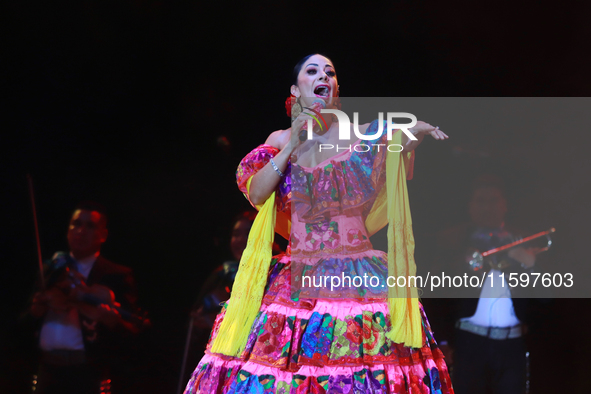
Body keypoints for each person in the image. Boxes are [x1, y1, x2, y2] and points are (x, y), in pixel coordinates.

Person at [184, 54, 452, 394]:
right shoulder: (280, 140)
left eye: (330, 72)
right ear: (296, 90)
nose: (323, 75)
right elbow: (257, 192)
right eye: (313, 71)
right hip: (296, 277)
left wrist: (416, 132)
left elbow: (396, 142)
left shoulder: (359, 136)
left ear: (336, 88)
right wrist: (292, 144)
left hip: (356, 275)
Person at [424, 174, 549, 394]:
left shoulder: (524, 239)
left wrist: (531, 265)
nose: (487, 207)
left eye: (493, 201)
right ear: (470, 206)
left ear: (504, 205)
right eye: (481, 201)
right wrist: (442, 341)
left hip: (513, 346)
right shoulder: (452, 239)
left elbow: (546, 298)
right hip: (468, 344)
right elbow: (436, 293)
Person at [28, 201, 145, 394]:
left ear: (103, 235)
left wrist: (113, 322)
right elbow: (22, 324)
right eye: (76, 224)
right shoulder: (51, 270)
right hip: (46, 370)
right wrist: (34, 312)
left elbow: (131, 334)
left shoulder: (116, 274)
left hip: (86, 373)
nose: (81, 231)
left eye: (90, 226)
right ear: (68, 230)